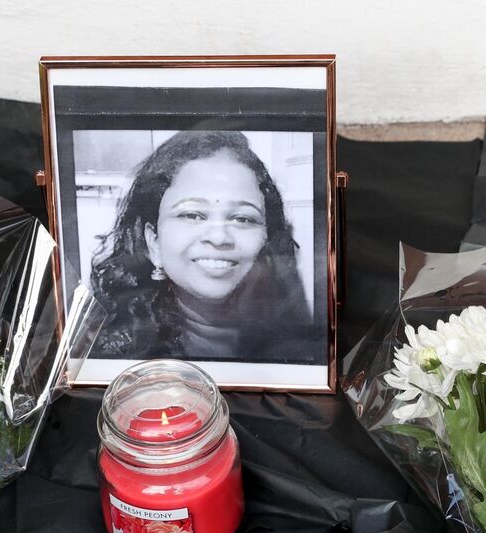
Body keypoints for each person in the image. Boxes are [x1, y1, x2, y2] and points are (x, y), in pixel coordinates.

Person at [89, 130, 318, 363]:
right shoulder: (108, 358)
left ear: (267, 239)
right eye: (193, 215)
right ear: (153, 243)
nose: (219, 237)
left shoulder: (307, 356)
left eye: (242, 218)